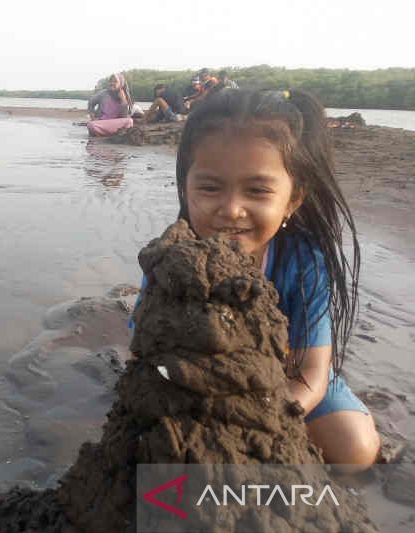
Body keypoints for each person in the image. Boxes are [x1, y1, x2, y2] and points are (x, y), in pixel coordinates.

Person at [133, 89, 380, 471]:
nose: (231, 209)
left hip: (285, 379)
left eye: (257, 191)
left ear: (293, 199)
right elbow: (144, 353)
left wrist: (259, 421)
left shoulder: (303, 260)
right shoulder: (173, 260)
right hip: (197, 385)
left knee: (356, 449)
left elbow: (312, 371)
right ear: (185, 186)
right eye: (210, 188)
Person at [87, 73, 134, 137]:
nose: (112, 83)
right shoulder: (103, 93)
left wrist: (123, 100)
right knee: (91, 125)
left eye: (115, 81)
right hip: (102, 123)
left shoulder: (125, 95)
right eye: (110, 81)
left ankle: (106, 133)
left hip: (115, 124)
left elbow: (124, 116)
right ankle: (111, 133)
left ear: (121, 83)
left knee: (129, 121)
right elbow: (90, 102)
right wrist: (93, 117)